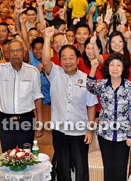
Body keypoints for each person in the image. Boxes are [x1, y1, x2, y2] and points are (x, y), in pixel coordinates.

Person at [42, 26, 97, 181]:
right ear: (60, 60)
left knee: (81, 168)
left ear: (78, 59)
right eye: (64, 58)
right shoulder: (55, 74)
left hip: (79, 131)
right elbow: (46, 61)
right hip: (59, 130)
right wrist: (47, 38)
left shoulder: (87, 79)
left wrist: (90, 130)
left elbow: (91, 105)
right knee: (63, 168)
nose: (68, 61)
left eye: (71, 57)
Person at [0, 36, 43, 152]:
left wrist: (39, 121)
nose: (15, 53)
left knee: (26, 155)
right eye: (12, 51)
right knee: (8, 155)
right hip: (5, 119)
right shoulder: (0, 69)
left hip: (26, 119)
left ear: (24, 52)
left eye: (18, 50)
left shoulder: (33, 71)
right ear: (7, 54)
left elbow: (37, 97)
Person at [86, 53, 131, 181]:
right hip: (105, 135)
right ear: (107, 68)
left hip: (123, 136)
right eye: (112, 65)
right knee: (108, 170)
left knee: (120, 171)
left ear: (123, 68)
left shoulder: (130, 86)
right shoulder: (102, 84)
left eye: (118, 65)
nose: (115, 68)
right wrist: (93, 68)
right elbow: (90, 87)